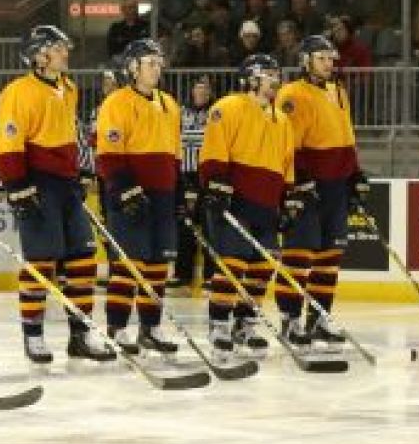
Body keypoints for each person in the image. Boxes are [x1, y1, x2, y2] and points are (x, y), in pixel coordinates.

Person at [0, 25, 112, 364]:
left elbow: (66, 135)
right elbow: (8, 144)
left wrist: (80, 169)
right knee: (41, 261)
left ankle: (79, 336)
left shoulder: (69, 87)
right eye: (59, 47)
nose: (66, 52)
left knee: (82, 258)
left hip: (66, 184)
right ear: (40, 54)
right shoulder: (17, 92)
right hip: (37, 183)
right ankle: (33, 336)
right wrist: (17, 186)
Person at [198, 54, 301, 362]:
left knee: (262, 267)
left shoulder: (282, 119)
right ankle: (219, 324)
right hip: (235, 203)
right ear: (252, 78)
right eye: (269, 75)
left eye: (276, 75)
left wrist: (288, 198)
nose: (276, 80)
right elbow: (213, 152)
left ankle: (245, 323)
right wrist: (215, 184)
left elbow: (286, 165)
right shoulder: (227, 107)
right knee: (232, 264)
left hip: (267, 204)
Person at [276, 35, 370, 345]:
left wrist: (355, 174)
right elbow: (287, 142)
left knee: (330, 257)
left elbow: (347, 138)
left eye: (331, 58)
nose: (329, 63)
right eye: (322, 58)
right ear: (305, 61)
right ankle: (290, 321)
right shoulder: (292, 94)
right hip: (307, 187)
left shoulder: (339, 91)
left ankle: (319, 318)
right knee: (298, 255)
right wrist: (300, 180)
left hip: (336, 188)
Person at [95, 38, 181, 355]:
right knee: (129, 265)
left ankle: (150, 327)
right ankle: (117, 327)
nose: (157, 69)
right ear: (133, 68)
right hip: (129, 196)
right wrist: (127, 190)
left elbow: (174, 155)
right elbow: (109, 155)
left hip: (162, 196)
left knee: (158, 266)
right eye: (150, 63)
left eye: (159, 63)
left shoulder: (170, 104)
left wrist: (179, 192)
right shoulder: (116, 102)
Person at [174, 76, 214, 287]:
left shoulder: (214, 113)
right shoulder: (181, 112)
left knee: (209, 227)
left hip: (205, 176)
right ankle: (182, 274)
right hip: (185, 175)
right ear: (192, 92)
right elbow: (176, 138)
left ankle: (210, 275)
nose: (201, 94)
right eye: (198, 89)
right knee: (185, 226)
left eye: (205, 91)